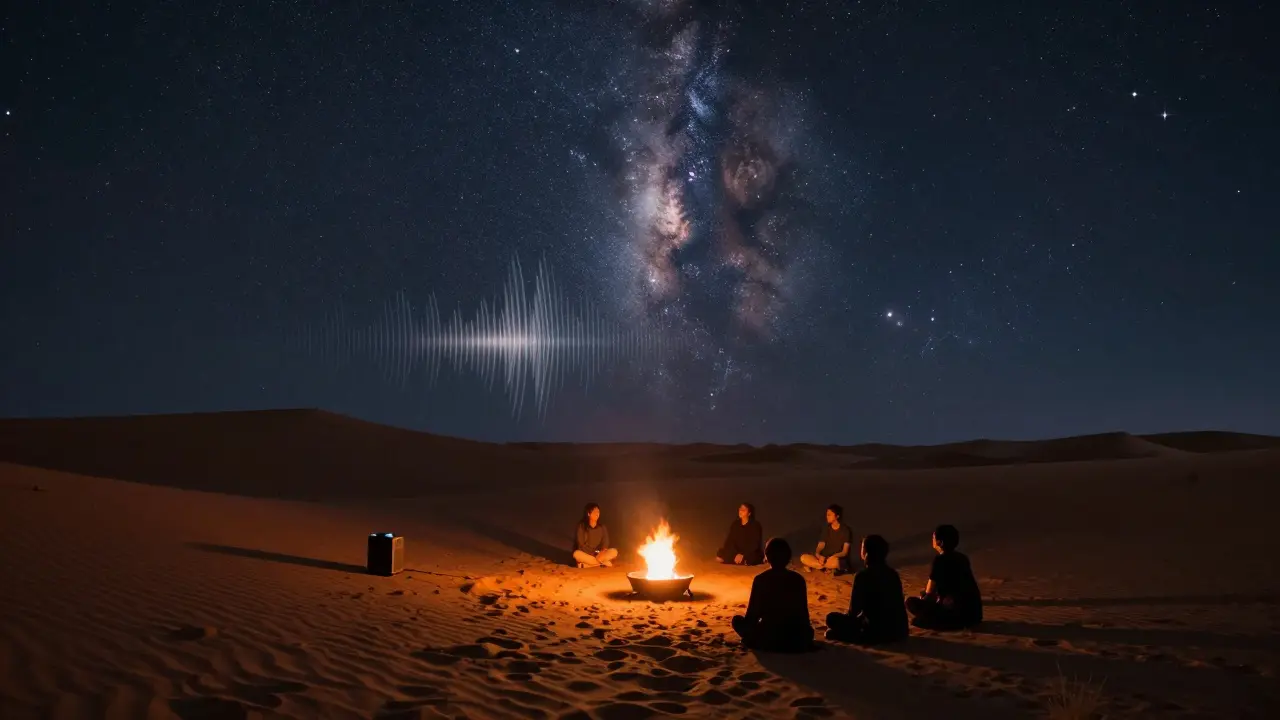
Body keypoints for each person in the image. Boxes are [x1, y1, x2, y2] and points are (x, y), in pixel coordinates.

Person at [731, 538, 815, 652]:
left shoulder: (761, 580)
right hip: (795, 637)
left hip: (769, 636)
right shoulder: (798, 579)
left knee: (737, 620)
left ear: (768, 556)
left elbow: (752, 616)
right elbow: (804, 616)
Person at [825, 535, 909, 646]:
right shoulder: (893, 574)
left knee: (831, 619)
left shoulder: (863, 576)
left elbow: (853, 612)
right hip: (899, 631)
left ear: (866, 552)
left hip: (876, 633)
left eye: (862, 547)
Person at [905, 524, 983, 630]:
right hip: (975, 615)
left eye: (933, 537)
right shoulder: (962, 558)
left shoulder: (939, 560)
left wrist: (926, 599)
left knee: (910, 602)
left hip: (956, 615)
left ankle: (933, 621)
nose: (932, 539)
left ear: (939, 542)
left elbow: (929, 594)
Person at [799, 504, 854, 575]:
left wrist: (832, 557)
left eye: (829, 515)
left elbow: (844, 552)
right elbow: (821, 545)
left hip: (836, 558)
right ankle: (823, 567)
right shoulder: (826, 528)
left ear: (837, 516)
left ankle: (818, 566)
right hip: (824, 558)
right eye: (827, 515)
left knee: (837, 562)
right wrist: (818, 554)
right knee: (803, 557)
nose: (827, 517)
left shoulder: (846, 530)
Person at [572, 503, 619, 568]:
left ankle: (586, 565)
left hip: (599, 555)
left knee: (614, 551)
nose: (597, 513)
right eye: (594, 512)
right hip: (586, 554)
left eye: (598, 511)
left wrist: (601, 552)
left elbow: (606, 543)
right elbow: (581, 544)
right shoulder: (581, 526)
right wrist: (593, 554)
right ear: (588, 514)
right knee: (576, 554)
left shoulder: (602, 527)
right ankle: (600, 564)